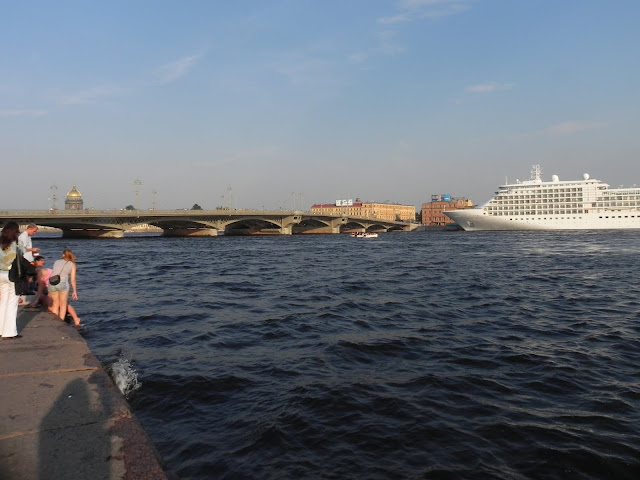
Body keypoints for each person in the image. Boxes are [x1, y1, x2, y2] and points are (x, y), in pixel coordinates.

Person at [30, 255, 82, 328]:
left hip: (52, 288)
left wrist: (36, 300)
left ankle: (63, 319)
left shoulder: (39, 273)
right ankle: (75, 318)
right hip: (60, 285)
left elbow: (40, 288)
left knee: (51, 305)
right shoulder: (47, 270)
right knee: (63, 303)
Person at [0, 222, 22, 339]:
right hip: (12, 274)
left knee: (3, 301)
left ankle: (0, 329)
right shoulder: (16, 244)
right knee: (12, 302)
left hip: (1, 273)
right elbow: (21, 256)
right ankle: (9, 332)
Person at [48, 249, 79, 327]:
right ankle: (60, 323)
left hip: (52, 282)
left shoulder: (56, 262)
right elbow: (73, 279)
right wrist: (74, 291)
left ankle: (54, 322)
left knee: (55, 304)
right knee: (63, 305)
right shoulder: (72, 264)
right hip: (62, 282)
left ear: (63, 255)